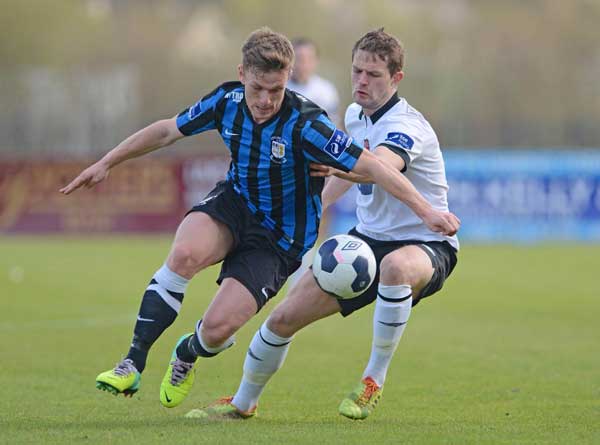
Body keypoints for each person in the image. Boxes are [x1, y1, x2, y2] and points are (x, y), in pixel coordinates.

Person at [60, 27, 459, 410]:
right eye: (257, 89)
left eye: (276, 90)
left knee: (216, 332)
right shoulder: (233, 101)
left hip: (283, 238)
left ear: (289, 81)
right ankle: (131, 364)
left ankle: (190, 351)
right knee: (185, 255)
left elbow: (375, 166)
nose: (266, 101)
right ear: (241, 76)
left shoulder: (309, 121)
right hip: (237, 205)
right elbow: (167, 131)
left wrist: (426, 211)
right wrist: (106, 162)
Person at [184, 29, 460, 421]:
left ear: (397, 78)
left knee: (396, 268)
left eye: (374, 75)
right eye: (357, 71)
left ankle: (372, 380)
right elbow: (341, 177)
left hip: (424, 242)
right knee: (282, 319)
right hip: (366, 242)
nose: (362, 81)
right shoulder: (353, 115)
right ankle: (242, 403)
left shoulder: (406, 125)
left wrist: (341, 165)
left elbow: (380, 167)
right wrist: (318, 208)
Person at [287, 38, 341, 126]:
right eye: (299, 59)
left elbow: (335, 124)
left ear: (316, 61)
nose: (303, 64)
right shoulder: (281, 88)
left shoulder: (326, 90)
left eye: (309, 59)